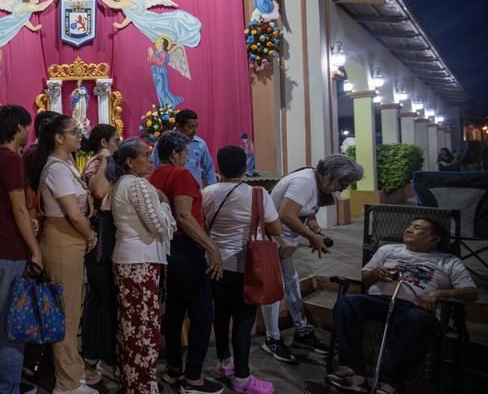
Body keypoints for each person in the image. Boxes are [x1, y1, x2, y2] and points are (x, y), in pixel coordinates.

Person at [327, 218, 477, 394]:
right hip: (379, 301)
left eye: (418, 228)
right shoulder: (387, 250)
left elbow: (471, 292)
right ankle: (353, 370)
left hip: (414, 308)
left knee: (417, 320)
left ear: (434, 239)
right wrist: (374, 273)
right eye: (409, 226)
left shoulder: (448, 261)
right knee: (346, 303)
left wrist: (439, 294)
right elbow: (363, 279)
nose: (409, 229)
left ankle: (391, 383)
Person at [261, 154, 364, 363]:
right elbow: (287, 215)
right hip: (272, 238)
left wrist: (312, 223)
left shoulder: (315, 181)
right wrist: (313, 238)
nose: (342, 188)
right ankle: (272, 339)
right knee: (275, 288)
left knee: (290, 284)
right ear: (333, 175)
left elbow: (304, 208)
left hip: (284, 239)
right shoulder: (305, 182)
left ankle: (301, 332)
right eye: (343, 183)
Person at [149, 131, 223, 394]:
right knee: (203, 313)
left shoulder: (154, 175)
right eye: (185, 154)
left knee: (175, 309)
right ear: (174, 154)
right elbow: (183, 215)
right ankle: (194, 379)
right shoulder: (180, 175)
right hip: (186, 248)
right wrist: (211, 247)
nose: (189, 158)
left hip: (169, 249)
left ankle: (173, 369)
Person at [28, 116, 98, 394]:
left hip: (71, 241)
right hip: (62, 242)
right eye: (74, 132)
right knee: (65, 315)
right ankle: (66, 383)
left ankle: (72, 373)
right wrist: (91, 235)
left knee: (70, 311)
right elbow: (72, 212)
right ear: (58, 138)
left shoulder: (67, 165)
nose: (80, 136)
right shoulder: (56, 168)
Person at [203, 146, 281, 394]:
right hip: (245, 266)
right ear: (245, 167)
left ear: (218, 166)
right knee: (243, 322)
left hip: (214, 265)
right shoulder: (257, 195)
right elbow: (276, 229)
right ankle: (242, 377)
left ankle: (224, 363)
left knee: (221, 315)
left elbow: (202, 225)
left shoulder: (207, 193)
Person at [107, 138, 176, 393]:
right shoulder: (138, 185)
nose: (150, 160)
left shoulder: (123, 183)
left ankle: (133, 380)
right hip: (140, 261)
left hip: (129, 259)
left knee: (132, 323)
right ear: (129, 162)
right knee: (144, 325)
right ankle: (143, 385)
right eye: (145, 156)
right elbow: (159, 227)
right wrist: (165, 205)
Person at [0, 104, 38, 394]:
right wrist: (35, 249)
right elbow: (18, 210)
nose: (29, 131)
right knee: (12, 323)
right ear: (17, 127)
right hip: (11, 249)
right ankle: (7, 386)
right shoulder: (12, 160)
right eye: (26, 126)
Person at [81, 124, 121, 384]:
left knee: (98, 299)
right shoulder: (99, 161)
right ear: (105, 142)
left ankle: (94, 356)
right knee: (105, 299)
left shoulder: (99, 160)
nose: (120, 143)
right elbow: (98, 192)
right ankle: (102, 358)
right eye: (116, 140)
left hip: (105, 233)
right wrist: (107, 157)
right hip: (102, 233)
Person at [151, 109, 216, 188]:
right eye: (190, 127)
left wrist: (211, 191)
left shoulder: (200, 144)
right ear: (178, 126)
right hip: (169, 192)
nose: (194, 130)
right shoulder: (164, 143)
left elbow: (209, 170)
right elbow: (154, 167)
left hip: (195, 193)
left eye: (196, 126)